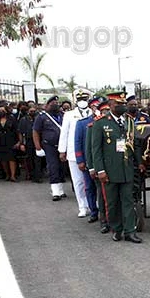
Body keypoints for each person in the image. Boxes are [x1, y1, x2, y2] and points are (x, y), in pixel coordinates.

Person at [90, 91, 142, 243]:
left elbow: (134, 145)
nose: (122, 107)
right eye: (119, 104)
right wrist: (99, 170)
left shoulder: (129, 122)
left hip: (126, 168)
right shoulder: (100, 123)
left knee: (128, 200)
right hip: (109, 170)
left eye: (123, 104)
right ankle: (116, 229)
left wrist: (138, 163)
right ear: (111, 105)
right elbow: (96, 150)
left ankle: (130, 231)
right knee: (112, 203)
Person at [59, 89, 92, 217]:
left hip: (91, 152)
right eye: (79, 100)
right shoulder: (69, 115)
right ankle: (82, 207)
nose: (82, 102)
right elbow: (64, 133)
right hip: (74, 153)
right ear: (76, 101)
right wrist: (62, 151)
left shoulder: (95, 113)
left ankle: (93, 204)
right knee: (78, 181)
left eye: (84, 99)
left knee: (91, 182)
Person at [75, 97, 103, 224]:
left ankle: (104, 213)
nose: (97, 109)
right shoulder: (82, 123)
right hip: (88, 161)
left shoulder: (106, 122)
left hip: (103, 162)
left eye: (99, 107)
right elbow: (78, 142)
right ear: (91, 108)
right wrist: (80, 160)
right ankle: (93, 211)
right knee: (90, 187)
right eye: (95, 107)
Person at [86, 101, 112, 234]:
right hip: (99, 166)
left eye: (108, 110)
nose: (107, 113)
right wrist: (92, 167)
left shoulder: (115, 124)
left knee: (112, 196)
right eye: (104, 111)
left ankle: (113, 219)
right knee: (102, 195)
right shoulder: (93, 126)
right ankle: (104, 221)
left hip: (112, 166)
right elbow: (90, 149)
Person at [33, 96, 65, 200]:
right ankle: (55, 191)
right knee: (53, 166)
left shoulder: (62, 115)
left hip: (62, 145)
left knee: (61, 167)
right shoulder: (42, 117)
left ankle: (60, 190)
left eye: (56, 103)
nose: (55, 105)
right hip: (49, 145)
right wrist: (37, 146)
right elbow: (35, 131)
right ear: (47, 105)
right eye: (52, 103)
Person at [0, 103, 19, 181]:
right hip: (0, 141)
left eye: (3, 110)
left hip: (11, 140)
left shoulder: (12, 118)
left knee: (11, 158)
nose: (1, 112)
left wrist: (18, 142)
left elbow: (16, 130)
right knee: (3, 159)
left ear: (6, 111)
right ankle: (7, 174)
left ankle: (13, 175)